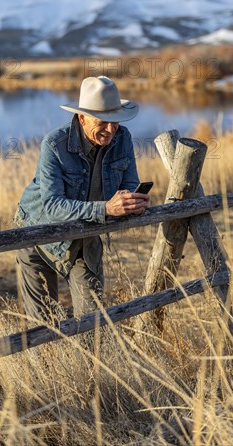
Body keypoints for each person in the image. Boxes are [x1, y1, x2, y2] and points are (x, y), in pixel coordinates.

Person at [15, 76, 150, 323]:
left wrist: (133, 202)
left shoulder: (123, 138)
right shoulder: (54, 144)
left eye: (115, 122)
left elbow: (129, 183)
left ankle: (89, 362)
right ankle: (46, 362)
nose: (111, 130)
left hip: (85, 237)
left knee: (93, 322)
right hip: (37, 234)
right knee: (44, 324)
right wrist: (106, 208)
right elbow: (53, 206)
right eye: (102, 122)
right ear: (82, 117)